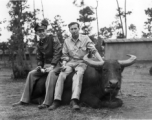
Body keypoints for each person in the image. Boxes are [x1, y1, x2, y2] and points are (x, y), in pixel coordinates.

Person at [49, 22, 104, 110]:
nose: (74, 31)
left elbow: (94, 50)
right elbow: (65, 55)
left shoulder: (85, 38)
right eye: (72, 29)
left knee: (78, 75)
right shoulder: (66, 41)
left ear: (79, 29)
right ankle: (56, 100)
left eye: (75, 28)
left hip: (82, 62)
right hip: (70, 62)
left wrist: (102, 61)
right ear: (69, 30)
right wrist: (63, 65)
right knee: (62, 74)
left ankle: (74, 100)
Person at [12, 19, 62, 109]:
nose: (41, 33)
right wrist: (39, 66)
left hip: (57, 64)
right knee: (31, 73)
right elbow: (39, 57)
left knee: (51, 74)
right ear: (37, 33)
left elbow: (58, 52)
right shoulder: (39, 44)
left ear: (46, 30)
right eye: (39, 31)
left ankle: (47, 102)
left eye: (43, 31)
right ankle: (24, 100)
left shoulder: (53, 37)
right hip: (45, 66)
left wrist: (53, 65)